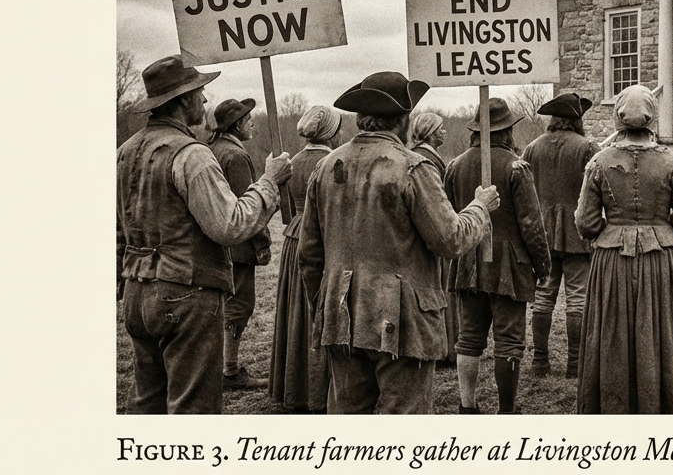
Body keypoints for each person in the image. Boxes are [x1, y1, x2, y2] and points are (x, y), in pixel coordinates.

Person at [298, 72, 497, 414]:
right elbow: (450, 240)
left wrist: (326, 305)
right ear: (404, 120)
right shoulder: (412, 167)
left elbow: (309, 255)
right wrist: (480, 208)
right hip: (403, 321)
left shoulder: (326, 166)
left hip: (340, 313)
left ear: (362, 119)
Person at [116, 55, 291, 414]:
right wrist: (270, 183)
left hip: (136, 293)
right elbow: (229, 225)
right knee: (193, 408)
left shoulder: (124, 152)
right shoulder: (191, 154)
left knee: (146, 403)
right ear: (182, 100)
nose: (206, 101)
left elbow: (117, 229)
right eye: (200, 93)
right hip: (186, 293)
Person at [575, 84, 673, 413]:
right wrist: (659, 229)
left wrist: (614, 231)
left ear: (618, 117)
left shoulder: (599, 162)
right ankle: (664, 405)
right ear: (651, 118)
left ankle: (614, 407)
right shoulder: (671, 161)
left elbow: (586, 223)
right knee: (663, 331)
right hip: (662, 260)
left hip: (612, 262)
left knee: (612, 332)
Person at [446, 98, 550, 414]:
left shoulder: (455, 166)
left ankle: (468, 407)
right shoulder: (517, 167)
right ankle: (505, 413)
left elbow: (452, 215)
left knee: (469, 338)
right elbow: (531, 224)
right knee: (508, 341)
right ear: (506, 131)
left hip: (468, 261)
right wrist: (543, 264)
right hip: (510, 266)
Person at [269, 104, 343, 413]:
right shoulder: (332, 162)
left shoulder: (291, 162)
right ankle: (319, 390)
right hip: (322, 237)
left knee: (296, 314)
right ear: (331, 132)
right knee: (317, 312)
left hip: (294, 236)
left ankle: (296, 385)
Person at [521, 93, 599, 379]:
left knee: (543, 297)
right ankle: (575, 364)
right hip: (578, 234)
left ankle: (540, 361)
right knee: (577, 298)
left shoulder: (531, 148)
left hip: (541, 235)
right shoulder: (589, 147)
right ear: (576, 120)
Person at [207, 97, 273, 390]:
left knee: (222, 306)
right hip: (239, 246)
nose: (253, 123)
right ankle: (230, 372)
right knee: (239, 306)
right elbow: (247, 204)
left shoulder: (213, 149)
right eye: (249, 120)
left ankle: (219, 367)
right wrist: (261, 243)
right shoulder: (235, 156)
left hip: (216, 243)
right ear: (236, 124)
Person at [407, 111, 459, 366]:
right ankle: (444, 348)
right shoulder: (426, 159)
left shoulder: (424, 155)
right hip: (432, 234)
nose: (445, 132)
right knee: (439, 289)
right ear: (429, 131)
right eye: (441, 128)